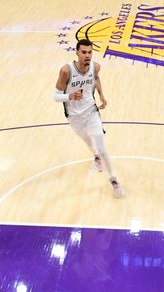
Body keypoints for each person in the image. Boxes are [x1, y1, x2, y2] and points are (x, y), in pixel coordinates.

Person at [53, 38, 123, 198]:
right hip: (74, 117)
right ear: (77, 53)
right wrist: (69, 96)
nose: (87, 55)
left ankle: (113, 178)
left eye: (90, 52)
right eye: (84, 52)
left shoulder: (95, 67)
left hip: (92, 112)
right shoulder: (66, 71)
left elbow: (96, 78)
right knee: (89, 143)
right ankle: (95, 157)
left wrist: (101, 95)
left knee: (102, 146)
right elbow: (55, 96)